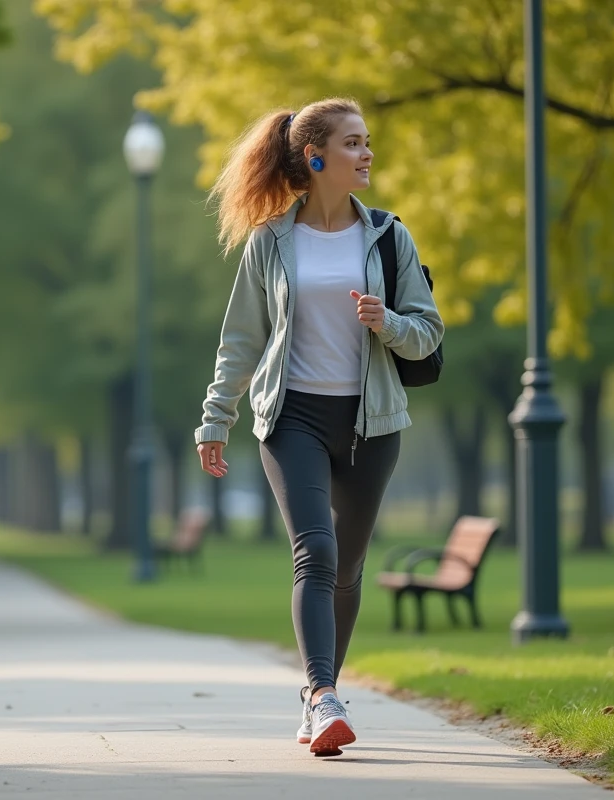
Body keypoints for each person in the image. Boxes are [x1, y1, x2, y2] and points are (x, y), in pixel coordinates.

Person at [194, 97, 444, 756]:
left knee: (349, 565)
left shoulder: (389, 236)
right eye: (354, 143)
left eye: (367, 142)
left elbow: (428, 334)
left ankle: (317, 694)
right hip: (292, 416)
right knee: (317, 551)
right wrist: (215, 418)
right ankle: (322, 694)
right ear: (315, 156)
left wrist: (386, 322)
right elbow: (241, 341)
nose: (366, 154)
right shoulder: (271, 242)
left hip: (372, 422)